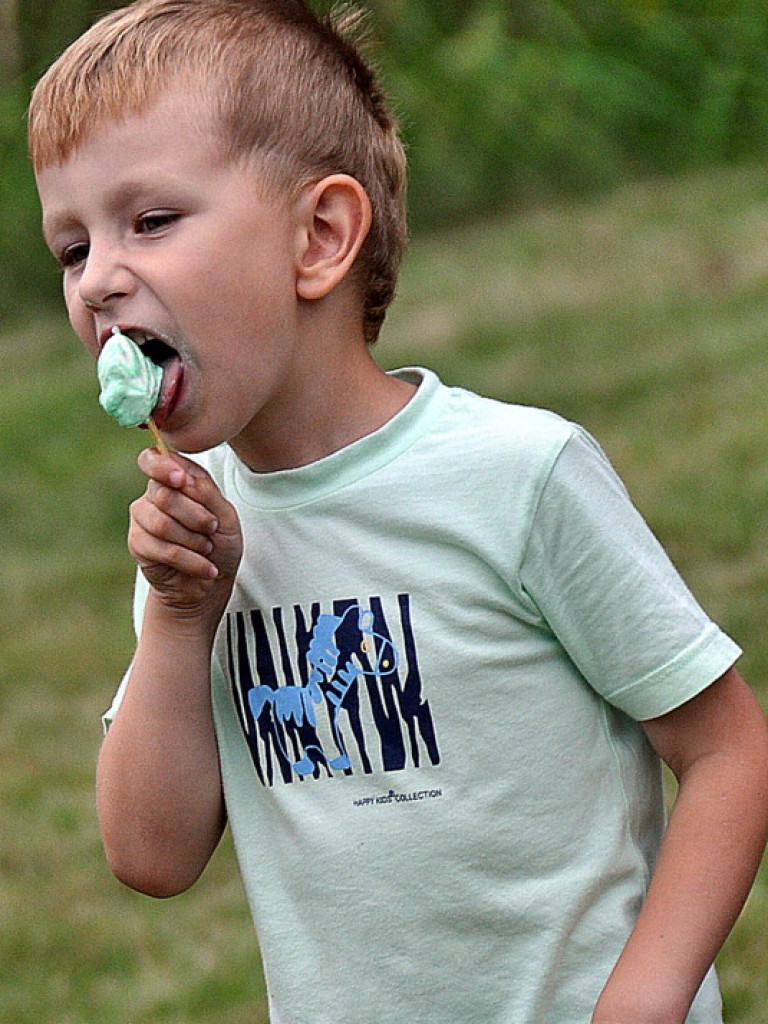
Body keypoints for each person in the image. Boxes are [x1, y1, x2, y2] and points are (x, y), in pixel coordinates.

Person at [29, 2, 768, 1022]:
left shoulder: (518, 475)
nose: (100, 280)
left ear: (320, 238)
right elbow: (149, 855)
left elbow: (728, 750)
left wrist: (644, 993)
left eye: (150, 220)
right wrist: (182, 619)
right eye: (70, 248)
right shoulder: (193, 543)